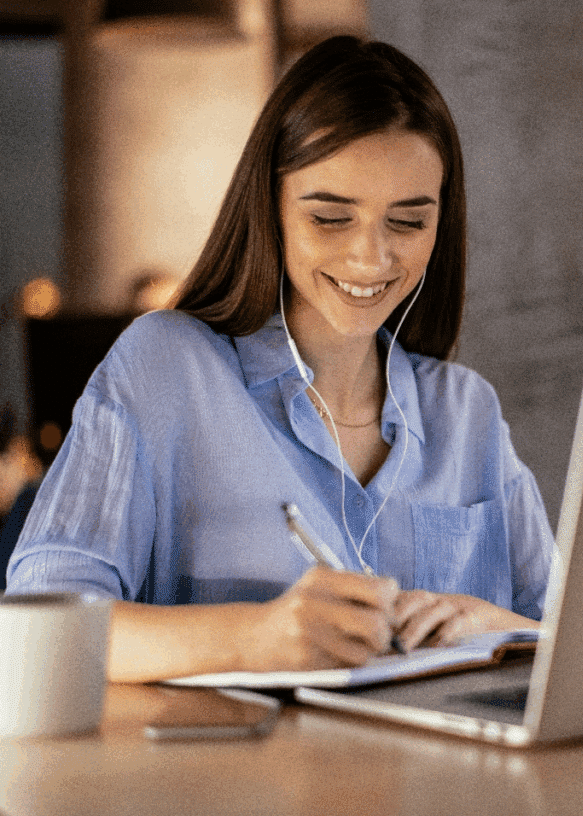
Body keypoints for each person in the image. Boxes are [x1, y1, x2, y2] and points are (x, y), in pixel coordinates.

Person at [5, 36, 554, 683]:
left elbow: (578, 634)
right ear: (270, 206)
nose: (371, 258)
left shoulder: (466, 412)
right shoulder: (168, 368)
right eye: (330, 217)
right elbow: (31, 635)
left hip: (450, 782)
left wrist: (500, 629)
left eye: (407, 222)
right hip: (240, 779)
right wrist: (253, 636)